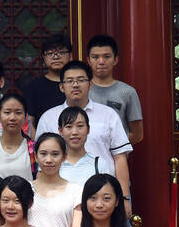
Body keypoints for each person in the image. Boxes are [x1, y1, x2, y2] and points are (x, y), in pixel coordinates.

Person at [37, 60, 134, 216]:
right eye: (69, 81)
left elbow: (120, 158)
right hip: (59, 199)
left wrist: (124, 197)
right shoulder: (48, 118)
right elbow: (41, 161)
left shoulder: (108, 115)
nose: (75, 85)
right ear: (62, 87)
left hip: (102, 197)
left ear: (90, 85)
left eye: (81, 80)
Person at [87, 34, 144, 144]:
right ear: (88, 60)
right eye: (95, 57)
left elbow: (137, 134)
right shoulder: (81, 90)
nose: (101, 62)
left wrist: (111, 147)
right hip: (86, 156)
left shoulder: (128, 92)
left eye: (107, 56)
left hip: (117, 158)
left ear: (115, 59)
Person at [28, 133, 82, 227]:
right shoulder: (26, 188)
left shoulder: (76, 191)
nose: (48, 160)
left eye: (55, 154)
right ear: (36, 157)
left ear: (64, 157)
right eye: (43, 154)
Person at [0, 92, 34, 180]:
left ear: (25, 117)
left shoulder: (34, 148)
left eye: (18, 113)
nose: (12, 117)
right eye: (7, 112)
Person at [22, 35, 72, 125]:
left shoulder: (77, 84)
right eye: (50, 53)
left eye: (61, 52)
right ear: (44, 58)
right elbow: (29, 123)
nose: (56, 57)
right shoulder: (34, 86)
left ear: (70, 56)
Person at [57, 106, 108, 184]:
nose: (75, 132)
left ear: (88, 129)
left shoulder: (100, 165)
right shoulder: (53, 164)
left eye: (80, 126)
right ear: (60, 131)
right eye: (69, 127)